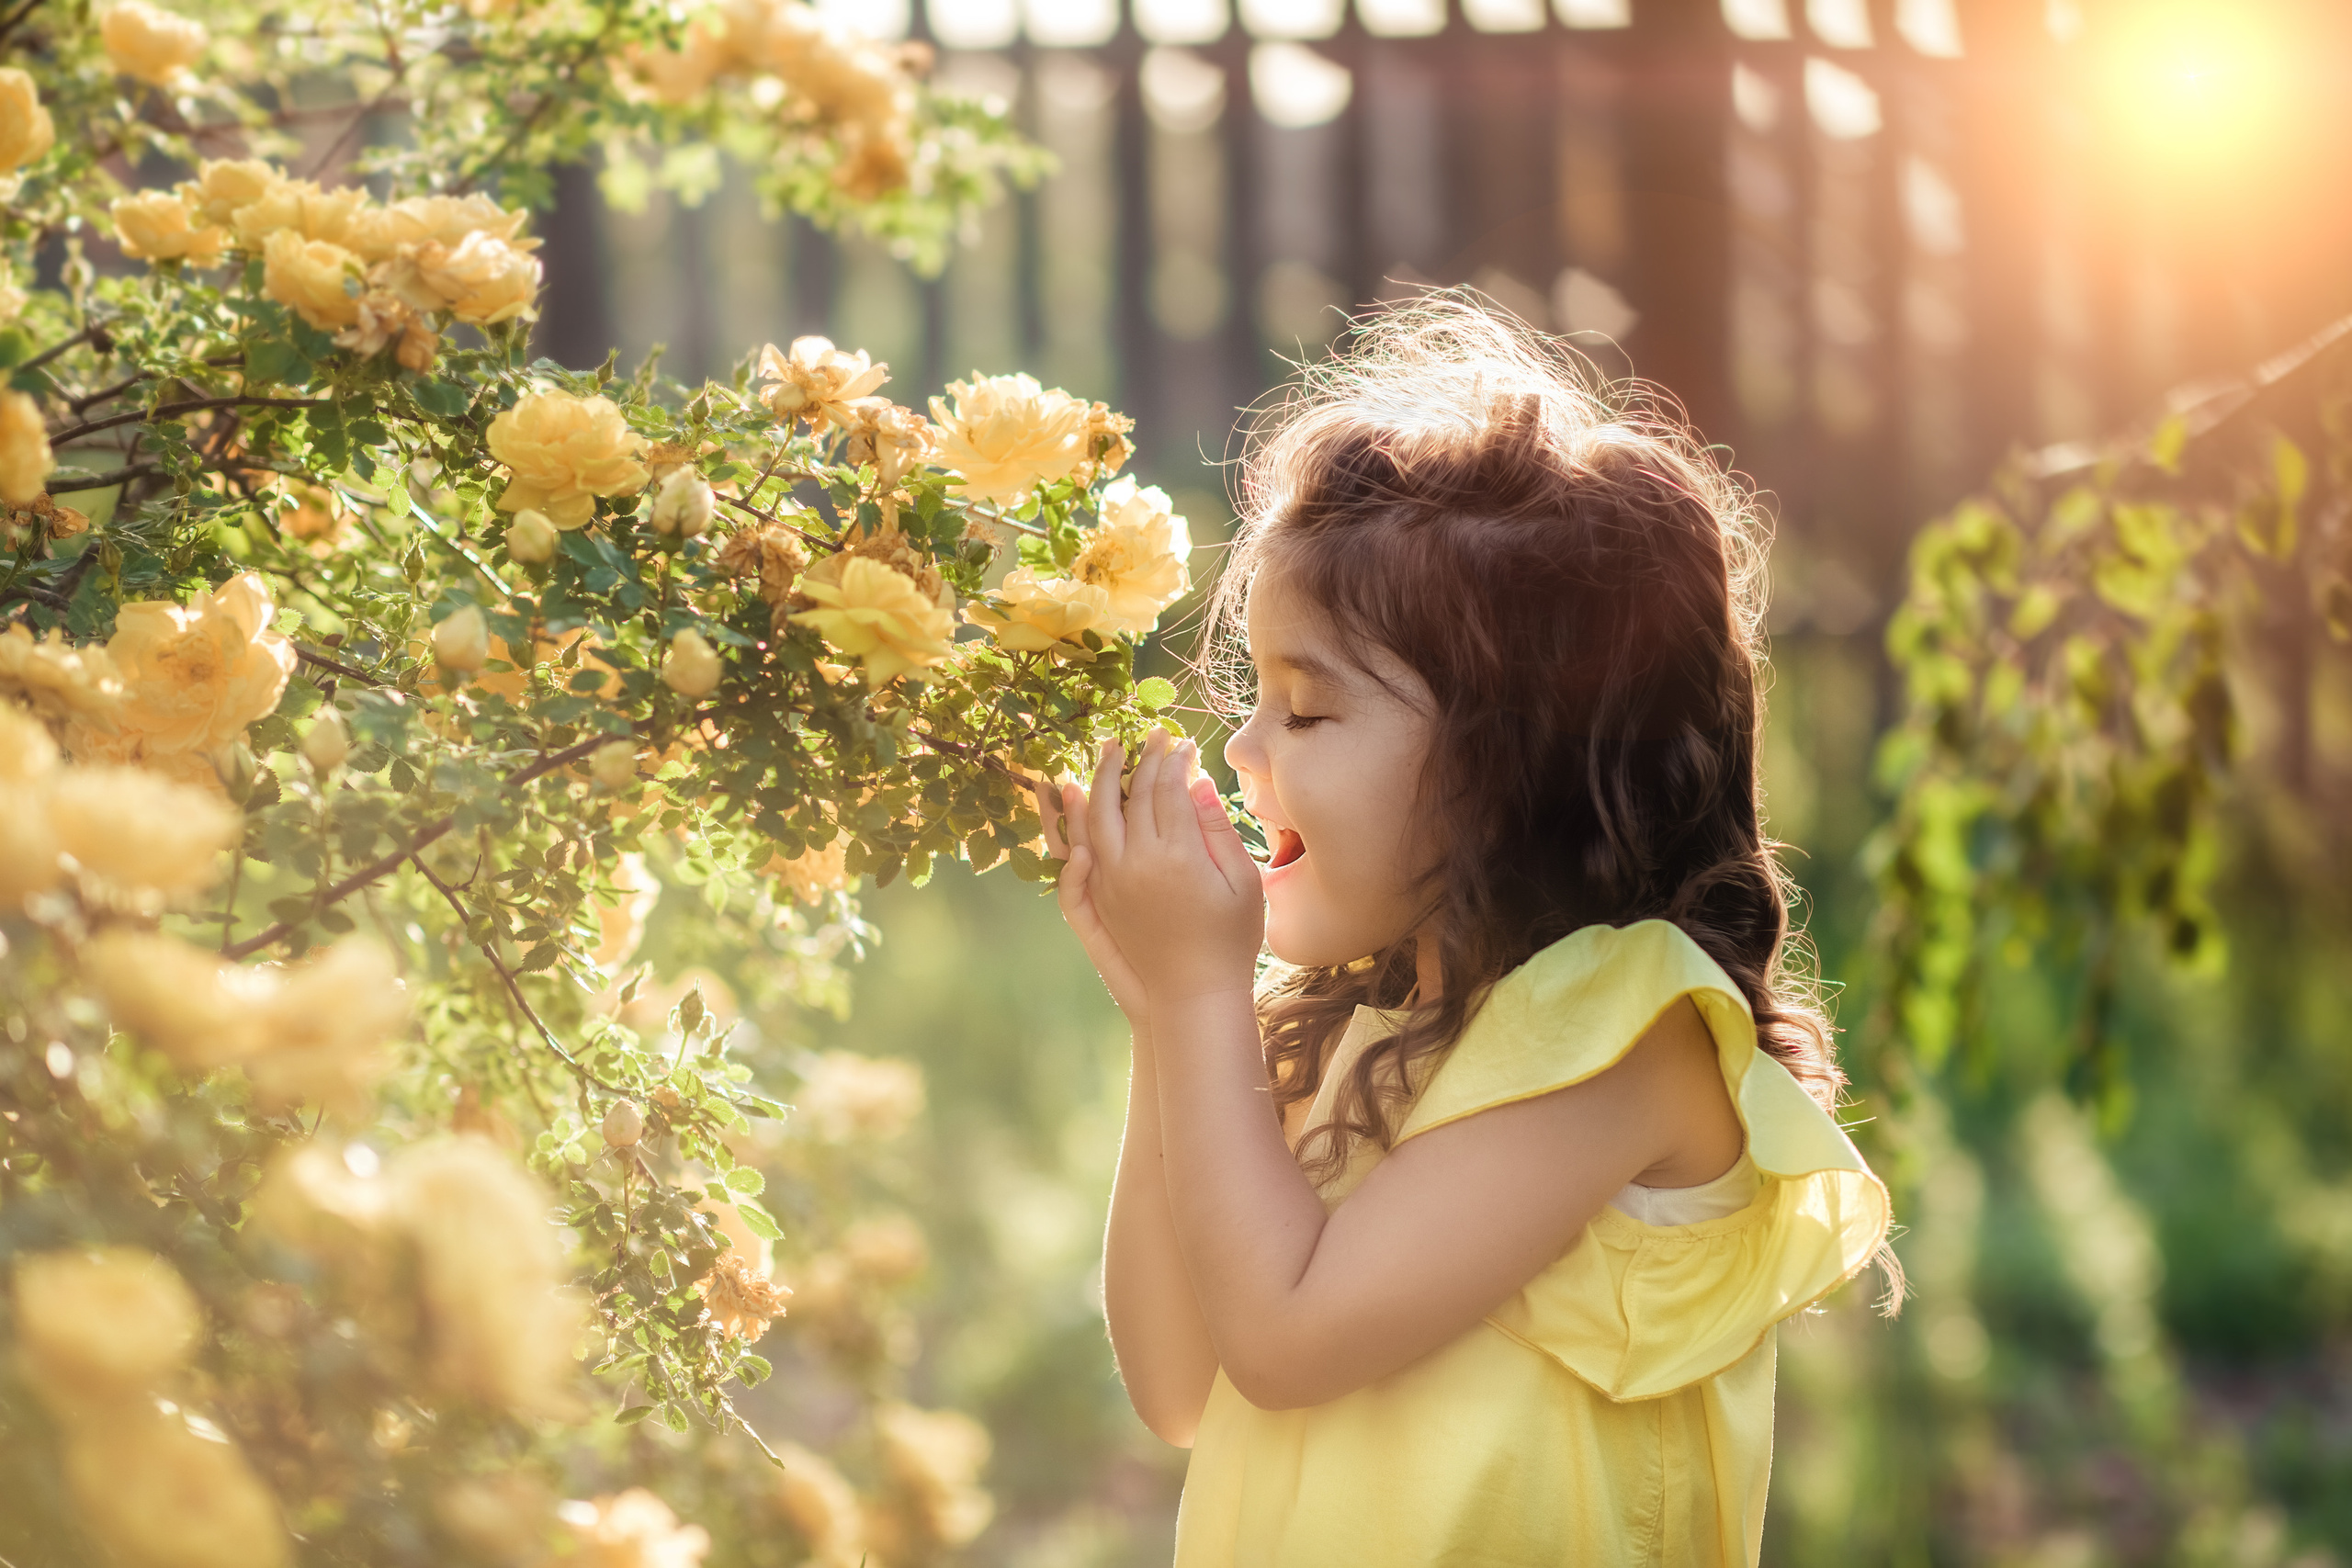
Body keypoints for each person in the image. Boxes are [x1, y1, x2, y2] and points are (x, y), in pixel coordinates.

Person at [1038, 298, 1894, 1567]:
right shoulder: (1346, 1020)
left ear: (1513, 765)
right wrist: (1167, 1018)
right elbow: (1180, 1386)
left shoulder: (1632, 1033)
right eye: (1254, 697)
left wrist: (1203, 1006)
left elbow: (1284, 1341)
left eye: (1308, 714)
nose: (1240, 747)